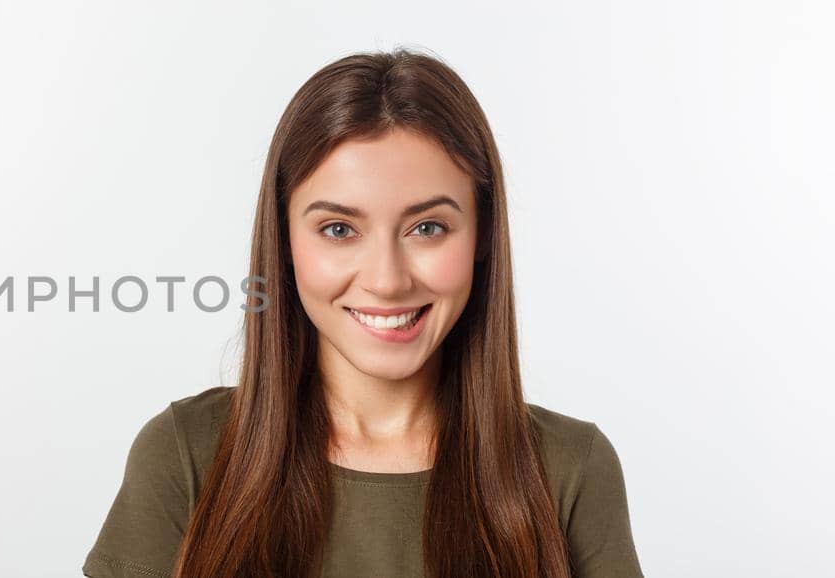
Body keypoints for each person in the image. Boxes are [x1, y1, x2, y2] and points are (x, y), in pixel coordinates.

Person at [82, 48, 643, 578]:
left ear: (483, 235)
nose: (386, 279)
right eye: (339, 229)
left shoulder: (569, 470)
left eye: (427, 228)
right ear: (284, 241)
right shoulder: (186, 457)